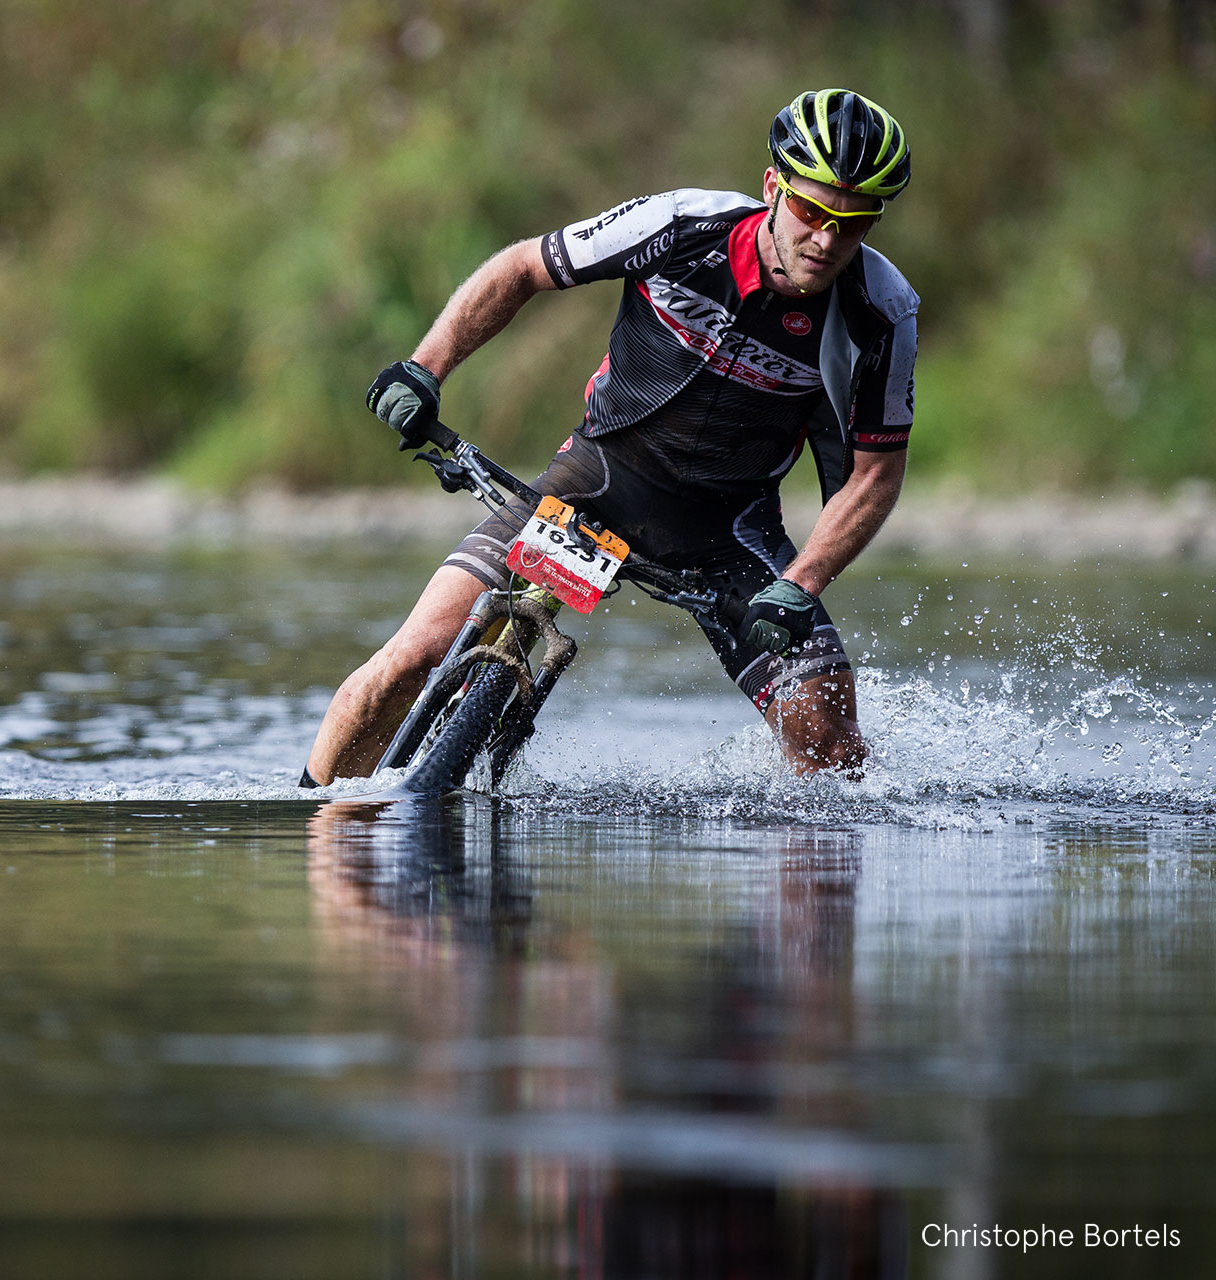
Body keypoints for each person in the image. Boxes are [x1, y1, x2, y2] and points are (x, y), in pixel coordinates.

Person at [302, 88, 918, 785]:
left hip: (727, 539)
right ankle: (312, 837)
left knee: (836, 755)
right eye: (813, 211)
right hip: (587, 489)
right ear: (773, 186)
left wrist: (802, 583)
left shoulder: (881, 312)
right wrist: (424, 369)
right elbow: (522, 268)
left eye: (856, 221)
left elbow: (876, 475)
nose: (828, 239)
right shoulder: (683, 226)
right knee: (409, 662)